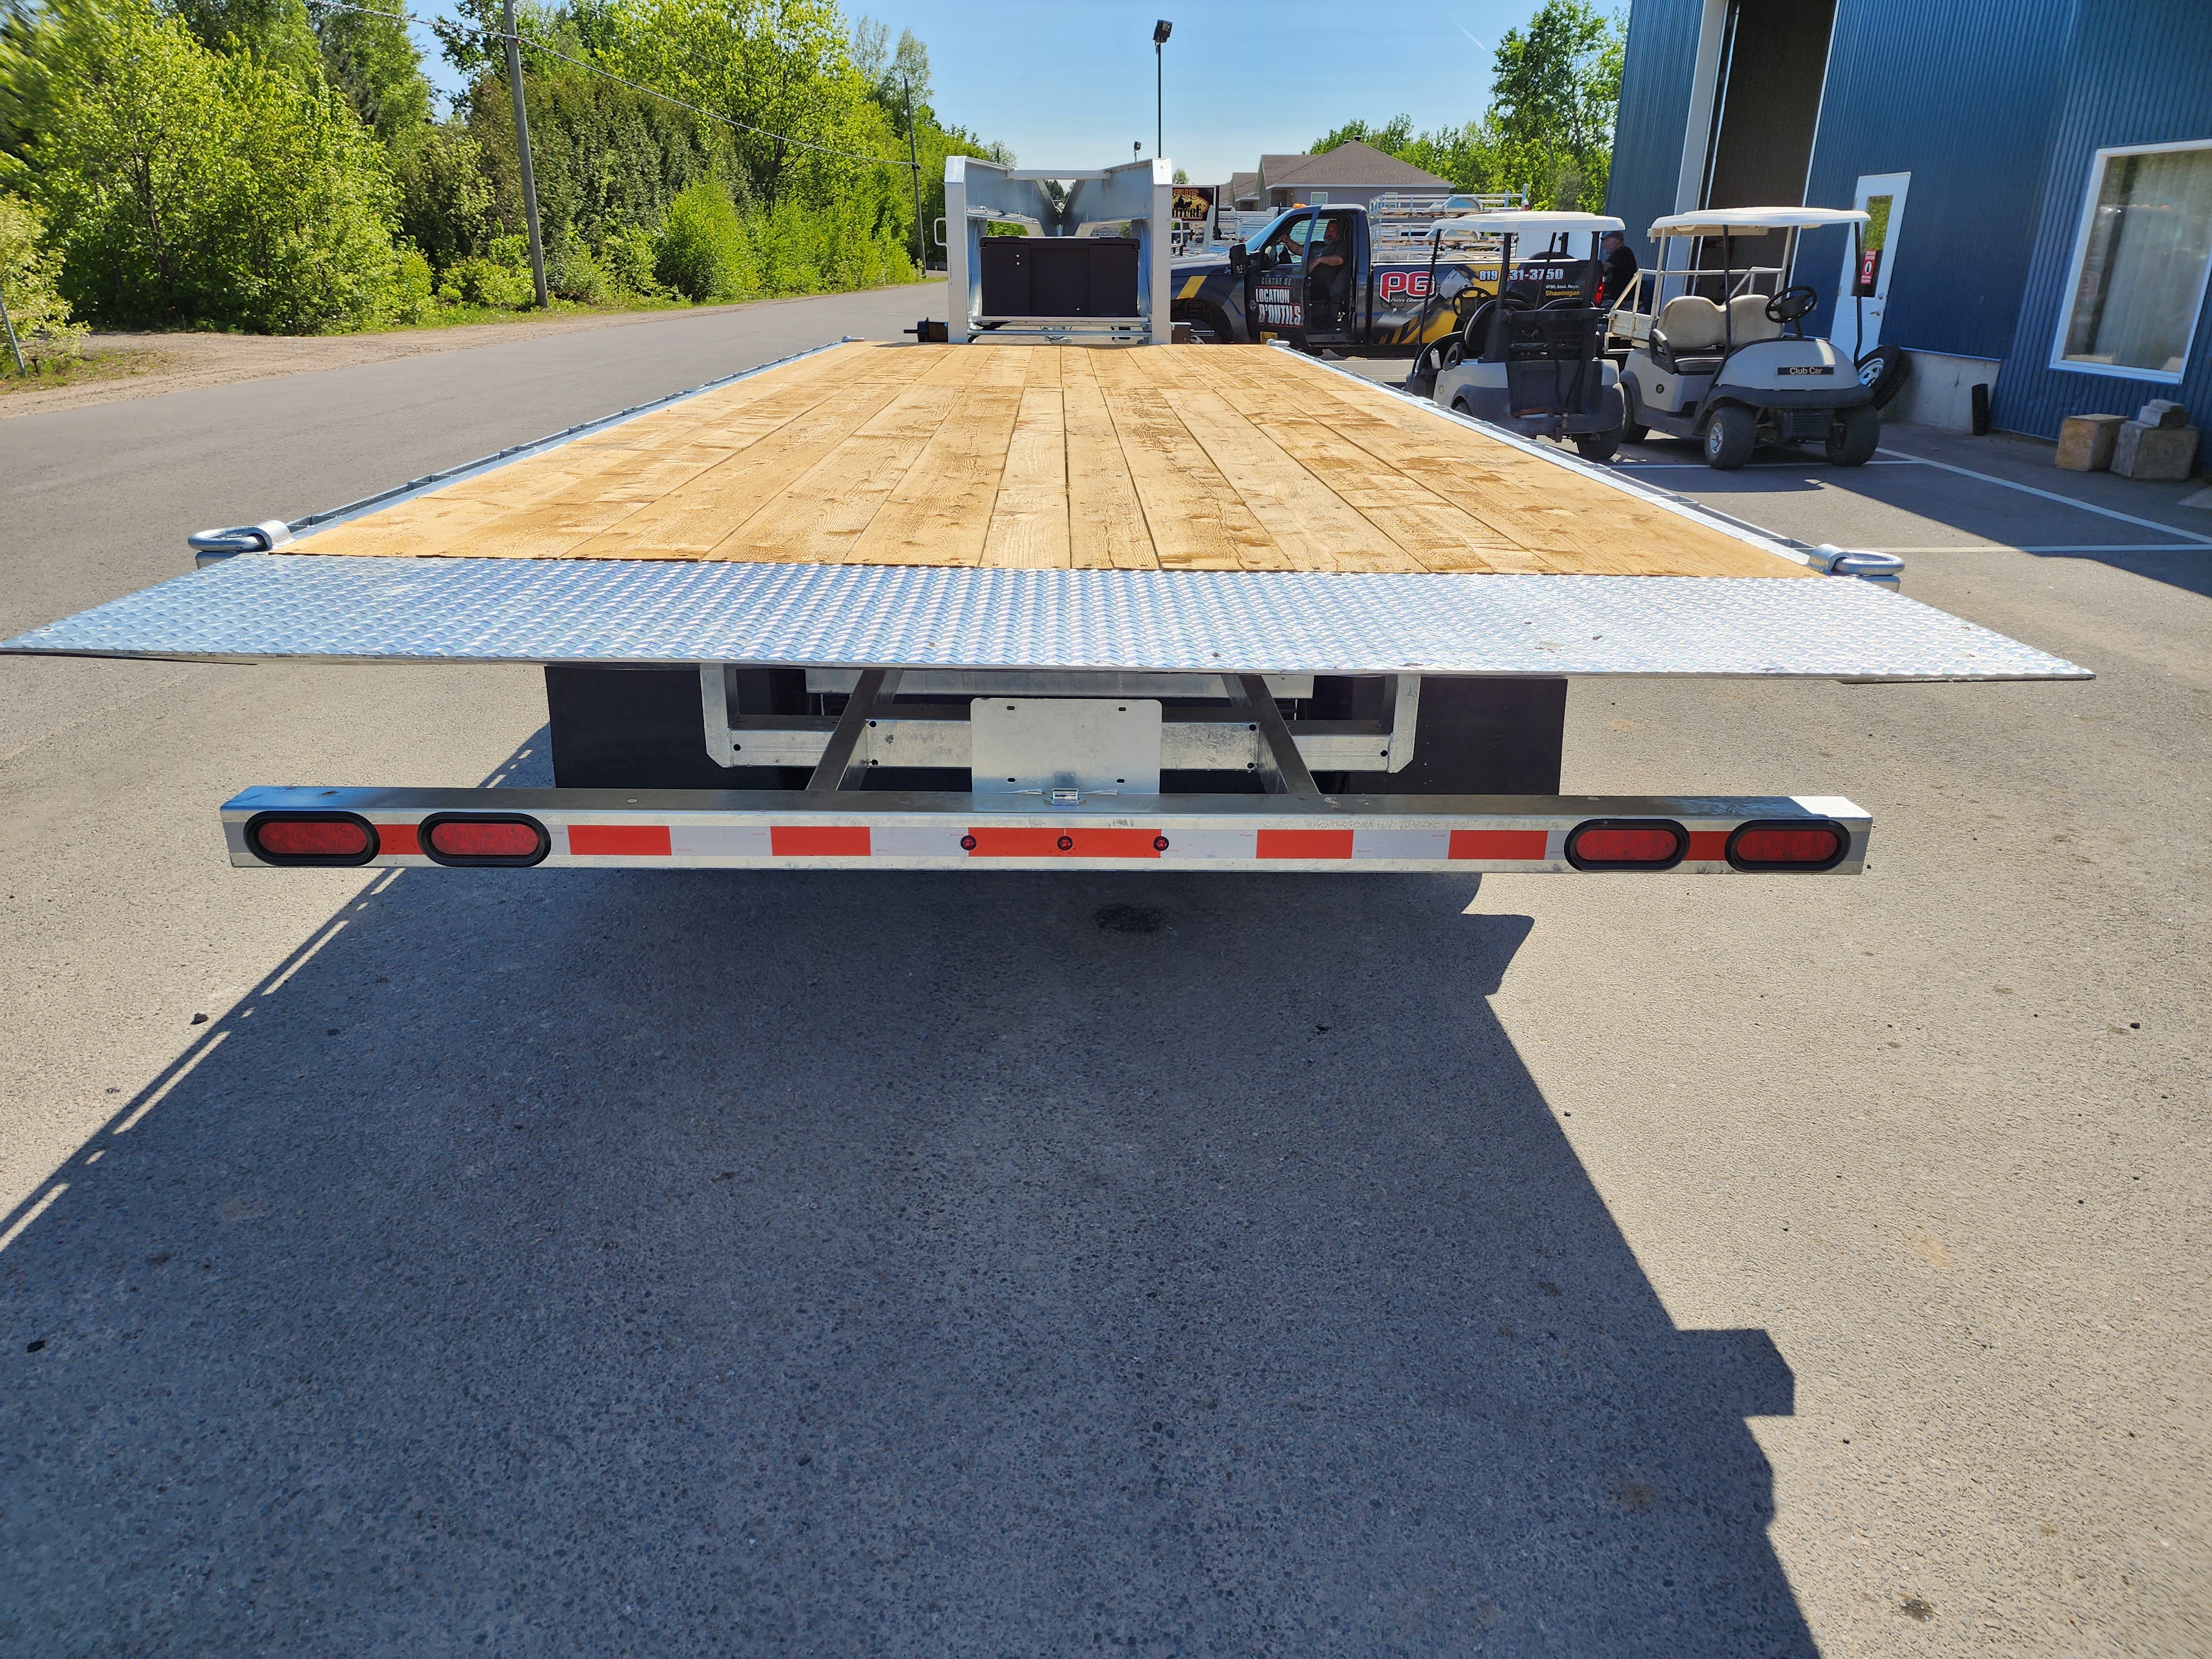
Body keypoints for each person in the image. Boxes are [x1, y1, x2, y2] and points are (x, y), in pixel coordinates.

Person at [1306, 218, 1349, 328]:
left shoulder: (1340, 246)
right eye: (1328, 229)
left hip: (1324, 289)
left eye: (1334, 230)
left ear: (1339, 234)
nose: (1329, 232)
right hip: (1308, 284)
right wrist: (1287, 241)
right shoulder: (1316, 245)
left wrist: (1318, 260)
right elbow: (1299, 250)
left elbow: (1339, 260)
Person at [1599, 229, 1639, 310]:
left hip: (1624, 301)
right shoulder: (1615, 256)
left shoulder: (1623, 251)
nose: (1603, 245)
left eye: (1606, 241)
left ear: (1616, 241)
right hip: (1616, 299)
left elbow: (1604, 268)